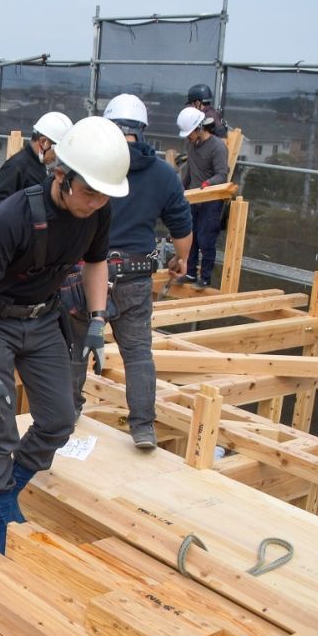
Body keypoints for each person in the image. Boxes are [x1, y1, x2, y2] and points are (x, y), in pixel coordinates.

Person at [0, 116, 129, 554]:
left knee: (59, 418)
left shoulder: (98, 211)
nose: (95, 202)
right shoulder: (12, 218)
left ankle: (10, 487)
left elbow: (94, 263)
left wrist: (95, 319)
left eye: (103, 194)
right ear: (61, 174)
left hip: (42, 319)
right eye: (88, 191)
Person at [69, 94, 192, 450]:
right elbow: (181, 224)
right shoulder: (163, 174)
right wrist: (181, 260)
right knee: (138, 353)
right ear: (143, 130)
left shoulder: (95, 165)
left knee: (76, 343)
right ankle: (142, 427)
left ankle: (70, 411)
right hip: (135, 276)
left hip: (87, 272)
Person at [178, 106, 229, 289]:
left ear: (199, 128)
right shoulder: (191, 145)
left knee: (206, 239)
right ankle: (191, 273)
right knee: (191, 238)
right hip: (193, 199)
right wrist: (180, 189)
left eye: (190, 133)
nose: (188, 137)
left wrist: (207, 184)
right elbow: (190, 172)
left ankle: (205, 278)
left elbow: (222, 175)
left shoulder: (217, 147)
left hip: (211, 200)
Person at [0, 111, 73, 212]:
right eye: (57, 150)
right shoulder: (17, 166)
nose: (57, 157)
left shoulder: (38, 166)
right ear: (43, 142)